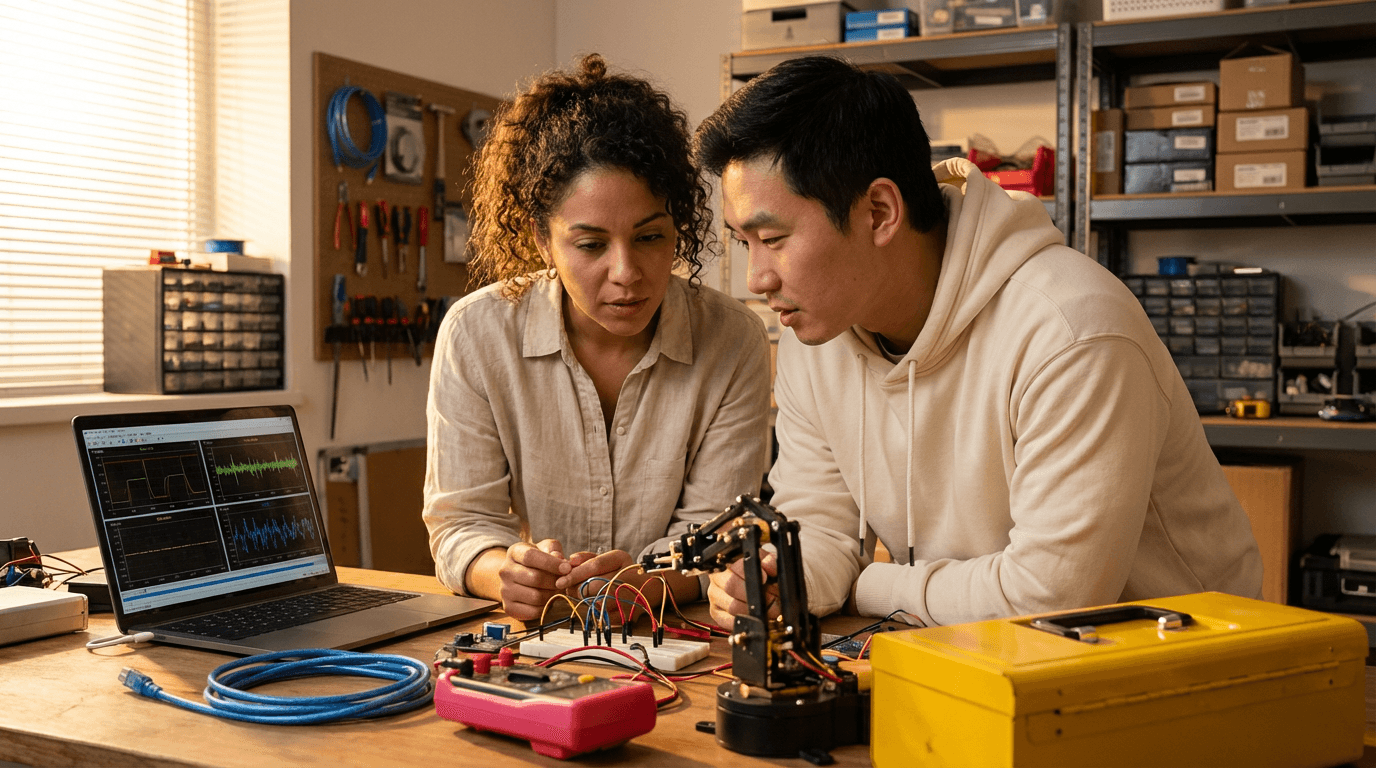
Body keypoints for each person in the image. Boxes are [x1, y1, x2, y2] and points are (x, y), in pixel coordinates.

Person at [694, 55, 1263, 629]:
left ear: (880, 212)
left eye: (773, 238)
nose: (757, 280)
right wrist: (781, 580)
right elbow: (818, 526)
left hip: (1181, 658)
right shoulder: (818, 331)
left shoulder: (1072, 331)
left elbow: (1052, 596)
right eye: (745, 243)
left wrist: (867, 585)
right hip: (969, 644)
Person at [423, 54, 771, 621]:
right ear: (542, 239)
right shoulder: (476, 334)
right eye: (590, 245)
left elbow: (717, 536)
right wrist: (506, 574)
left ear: (679, 226)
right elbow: (462, 523)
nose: (626, 273)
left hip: (673, 635)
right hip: (537, 634)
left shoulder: (734, 340)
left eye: (650, 237)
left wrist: (646, 583)